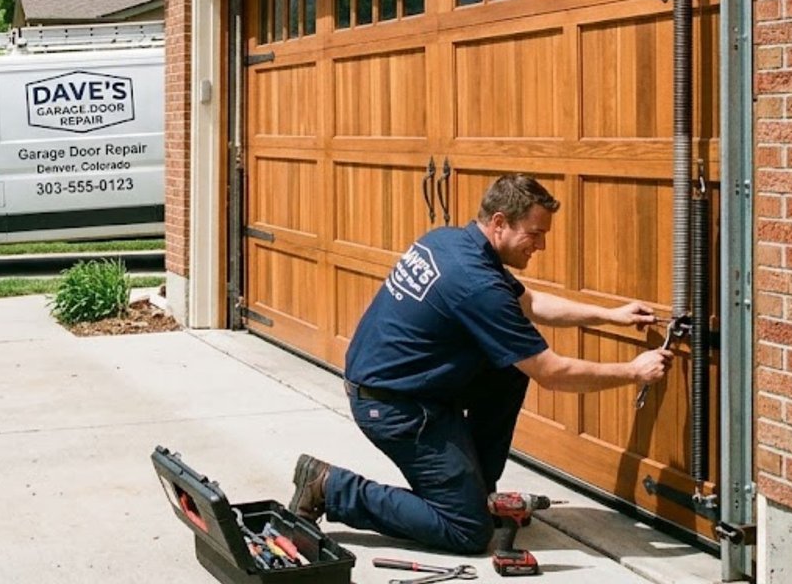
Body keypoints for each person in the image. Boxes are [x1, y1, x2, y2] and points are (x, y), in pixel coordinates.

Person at [286, 173, 673, 554]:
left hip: (408, 384)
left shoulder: (449, 241)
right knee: (467, 530)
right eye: (535, 233)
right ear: (500, 223)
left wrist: (611, 315)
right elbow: (552, 373)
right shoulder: (475, 283)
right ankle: (330, 487)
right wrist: (633, 371)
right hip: (394, 407)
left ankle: (474, 493)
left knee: (508, 370)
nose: (541, 245)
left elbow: (532, 303)